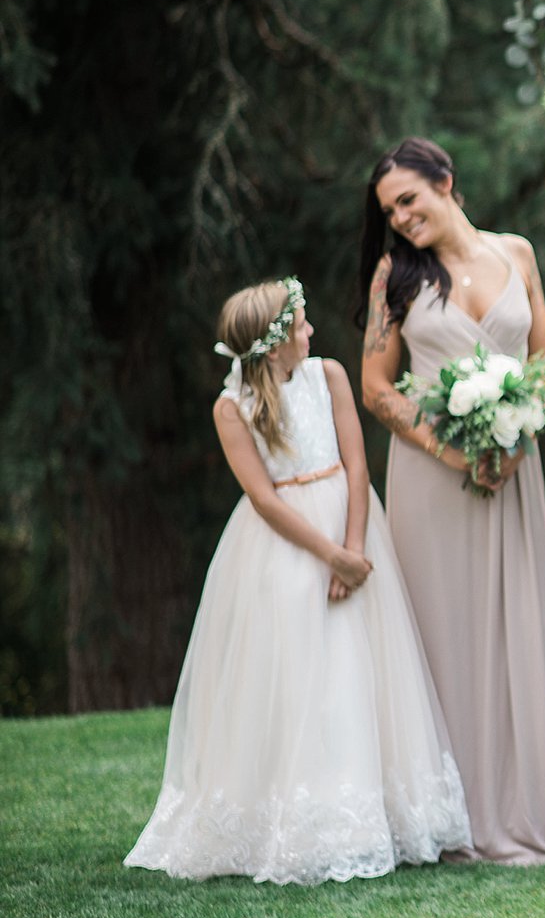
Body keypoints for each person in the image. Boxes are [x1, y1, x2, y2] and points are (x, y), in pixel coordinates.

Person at [126, 279, 468, 884]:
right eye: (302, 326)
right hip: (285, 545)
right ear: (275, 341)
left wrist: (355, 549)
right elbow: (261, 496)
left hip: (352, 523)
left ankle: (382, 812)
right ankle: (298, 814)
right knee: (300, 672)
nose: (313, 333)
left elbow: (358, 462)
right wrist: (328, 556)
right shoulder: (231, 407)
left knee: (364, 668)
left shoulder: (329, 375)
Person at [357, 136, 545, 864]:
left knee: (515, 623)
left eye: (409, 199)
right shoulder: (395, 276)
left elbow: (543, 360)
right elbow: (376, 387)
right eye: (390, 210)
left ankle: (518, 812)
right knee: (440, 628)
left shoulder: (519, 254)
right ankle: (444, 819)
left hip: (514, 465)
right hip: (432, 473)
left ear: (446, 182)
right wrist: (453, 453)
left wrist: (517, 433)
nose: (402, 218)